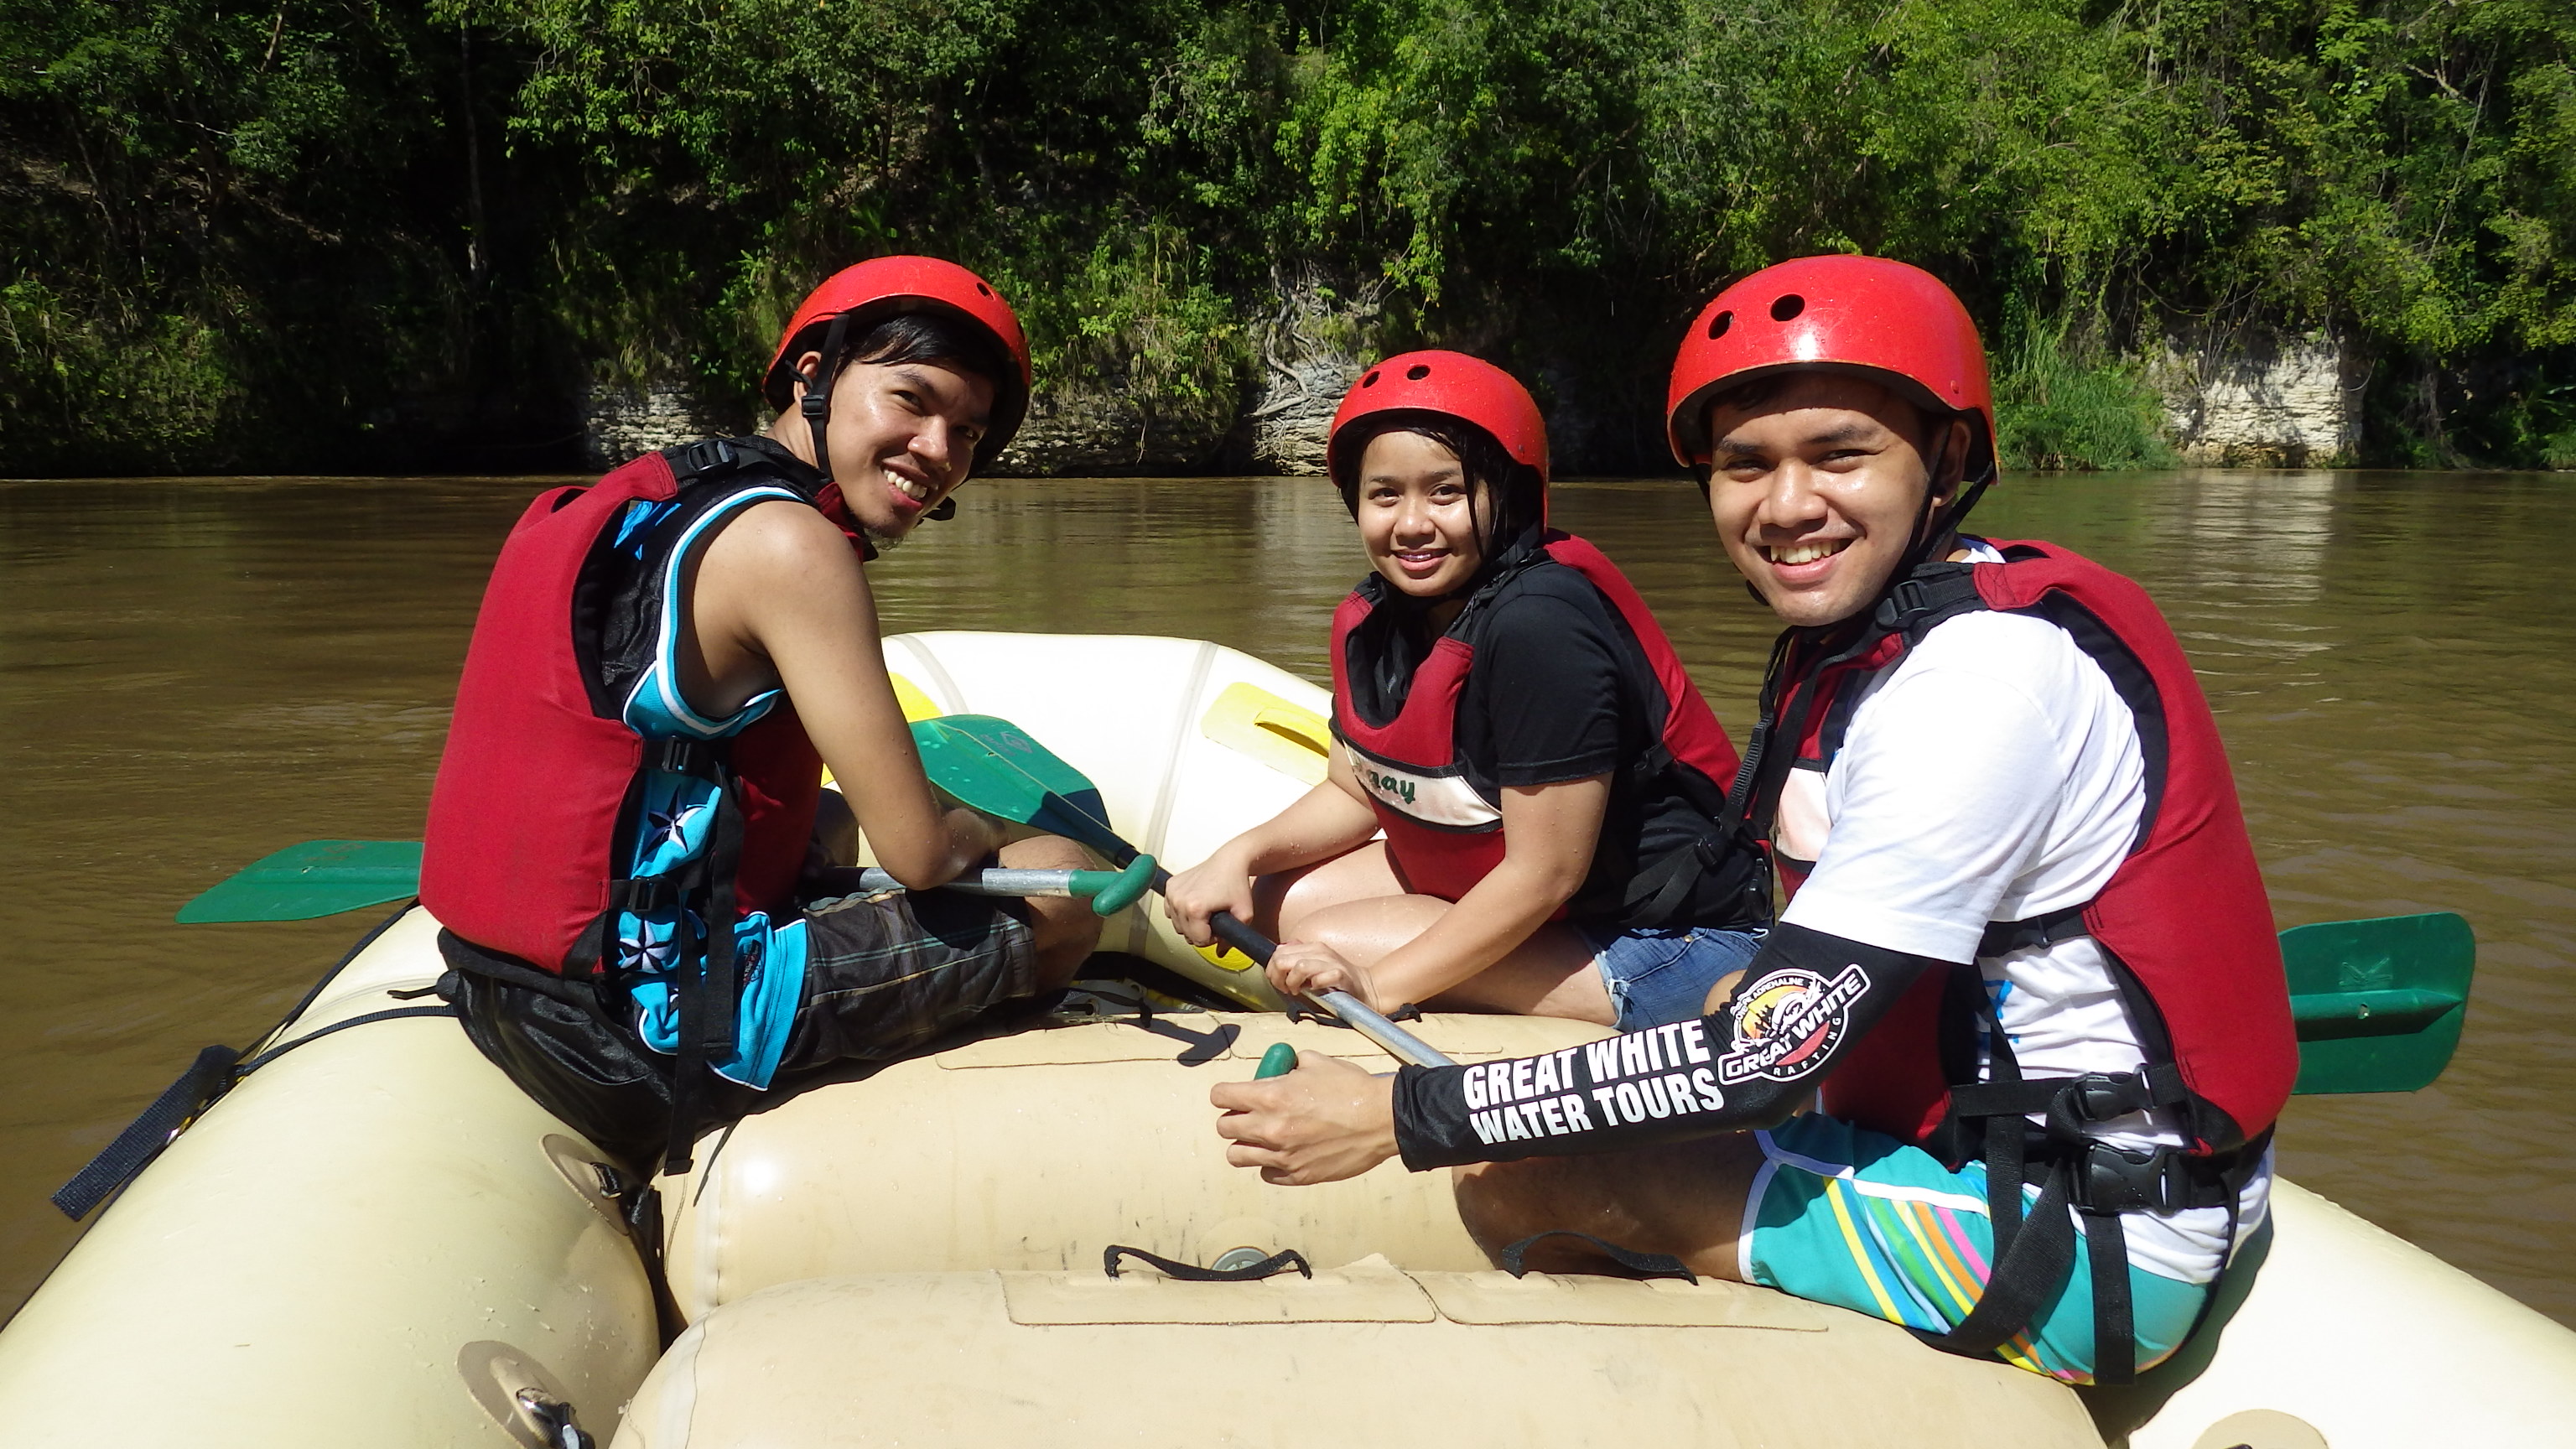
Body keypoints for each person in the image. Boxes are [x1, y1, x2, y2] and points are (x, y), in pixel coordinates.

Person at [1206, 257, 2298, 1387]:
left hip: (2081, 1237)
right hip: (1984, 1148)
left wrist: (1404, 1111)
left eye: (1840, 455)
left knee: (1521, 1171)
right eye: (1746, 466)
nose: (1785, 506)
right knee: (1586, 1116)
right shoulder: (1874, 643)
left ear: (1950, 461)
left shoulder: (1982, 684)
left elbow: (1767, 1056)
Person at [420, 256, 1102, 1178]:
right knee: (1064, 881)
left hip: (496, 979)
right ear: (814, 375)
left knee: (822, 817)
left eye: (968, 431)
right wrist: (978, 826)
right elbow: (923, 855)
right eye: (911, 399)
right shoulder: (795, 546)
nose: (939, 451)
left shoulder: (648, 498)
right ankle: (1000, 1081)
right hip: (646, 1036)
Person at [1165, 352, 1769, 1032]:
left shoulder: (1541, 625)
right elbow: (1353, 790)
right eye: (1385, 494)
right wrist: (1235, 855)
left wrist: (1378, 982)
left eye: (1446, 492)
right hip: (1550, 907)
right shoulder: (1377, 621)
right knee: (1279, 902)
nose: (1412, 524)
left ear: (1505, 495)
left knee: (1325, 949)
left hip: (1672, 943)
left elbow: (1545, 876)